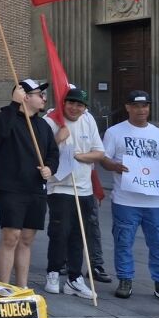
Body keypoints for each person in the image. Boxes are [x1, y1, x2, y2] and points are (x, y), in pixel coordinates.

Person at [101, 90, 159, 300]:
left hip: (156, 200)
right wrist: (115, 166)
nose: (141, 110)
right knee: (124, 241)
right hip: (126, 199)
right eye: (136, 106)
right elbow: (103, 159)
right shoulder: (114, 132)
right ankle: (125, 279)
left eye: (145, 106)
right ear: (128, 107)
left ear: (149, 108)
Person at [0, 79, 59, 288]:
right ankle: (3, 287)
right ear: (25, 97)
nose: (44, 98)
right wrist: (14, 104)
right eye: (40, 94)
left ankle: (22, 287)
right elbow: (1, 130)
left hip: (36, 188)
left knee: (27, 238)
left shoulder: (43, 125)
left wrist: (50, 168)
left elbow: (53, 153)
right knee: (11, 236)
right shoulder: (5, 117)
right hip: (11, 188)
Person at [41, 87, 102, 300]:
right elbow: (39, 152)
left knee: (79, 234)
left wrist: (78, 156)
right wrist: (58, 139)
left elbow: (99, 153)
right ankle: (53, 272)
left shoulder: (89, 120)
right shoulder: (50, 120)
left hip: (84, 187)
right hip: (59, 185)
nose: (75, 108)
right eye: (71, 103)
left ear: (85, 108)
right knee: (60, 231)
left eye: (80, 105)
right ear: (63, 103)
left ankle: (74, 279)